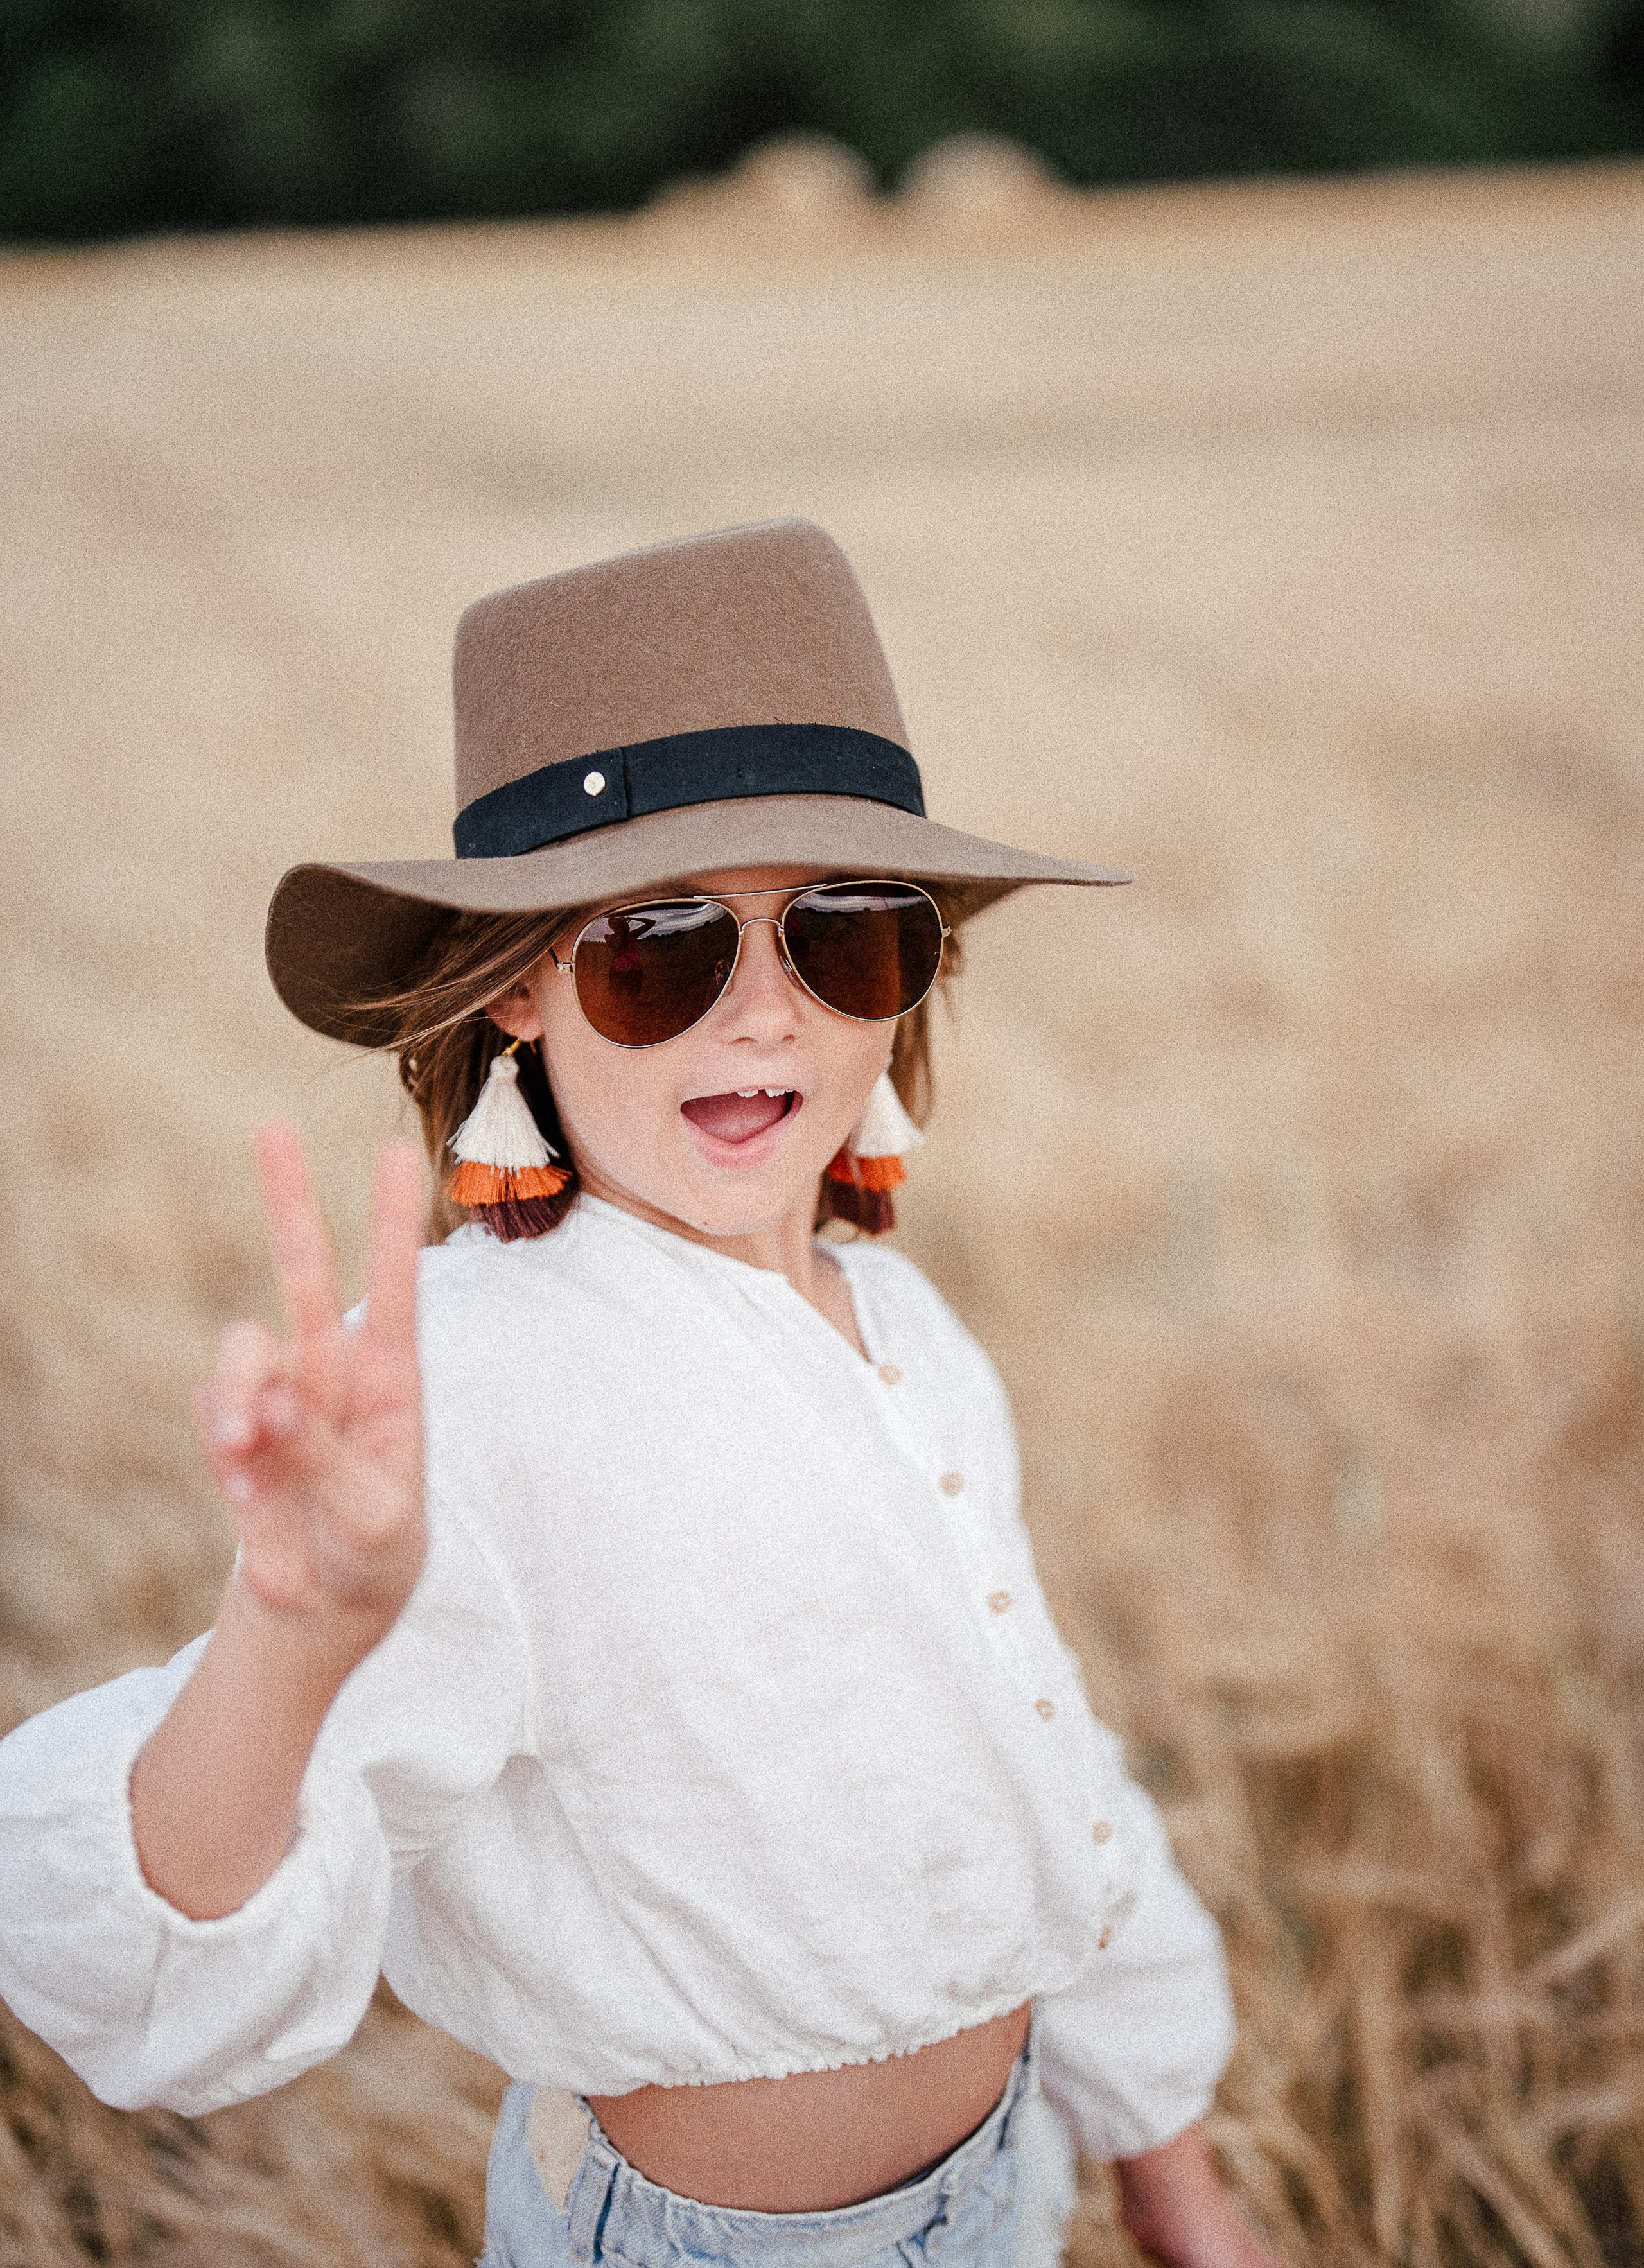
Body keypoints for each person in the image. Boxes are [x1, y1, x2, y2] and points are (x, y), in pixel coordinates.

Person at [0, 521, 1275, 2268]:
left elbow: (1054, 1779)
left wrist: (1176, 2183)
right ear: (519, 981)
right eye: (662, 950)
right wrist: (296, 1637)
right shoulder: (472, 1383)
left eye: (844, 934)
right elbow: (161, 1987)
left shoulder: (908, 1329)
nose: (764, 1016)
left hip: (1009, 2185)